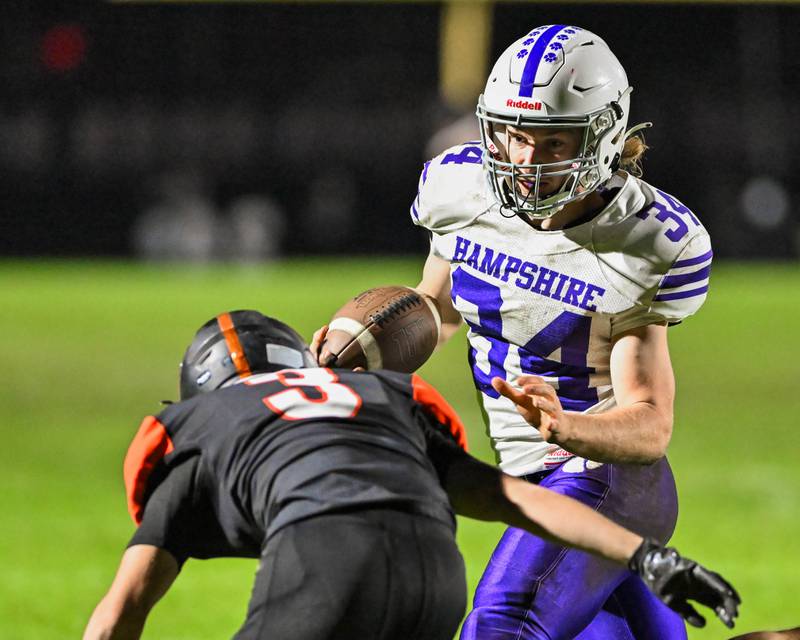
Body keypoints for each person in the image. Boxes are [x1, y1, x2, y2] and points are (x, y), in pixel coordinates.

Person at [85, 310, 738, 640]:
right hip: (436, 574)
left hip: (327, 564)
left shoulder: (201, 425)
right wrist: (646, 556)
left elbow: (123, 610)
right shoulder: (384, 397)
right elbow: (514, 500)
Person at [406, 24, 716, 640]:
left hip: (606, 476)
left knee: (501, 625)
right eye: (515, 136)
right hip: (530, 482)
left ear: (604, 138)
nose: (525, 161)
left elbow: (650, 421)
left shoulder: (647, 240)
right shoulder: (459, 189)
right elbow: (434, 312)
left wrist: (565, 426)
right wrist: (353, 350)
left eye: (553, 142)